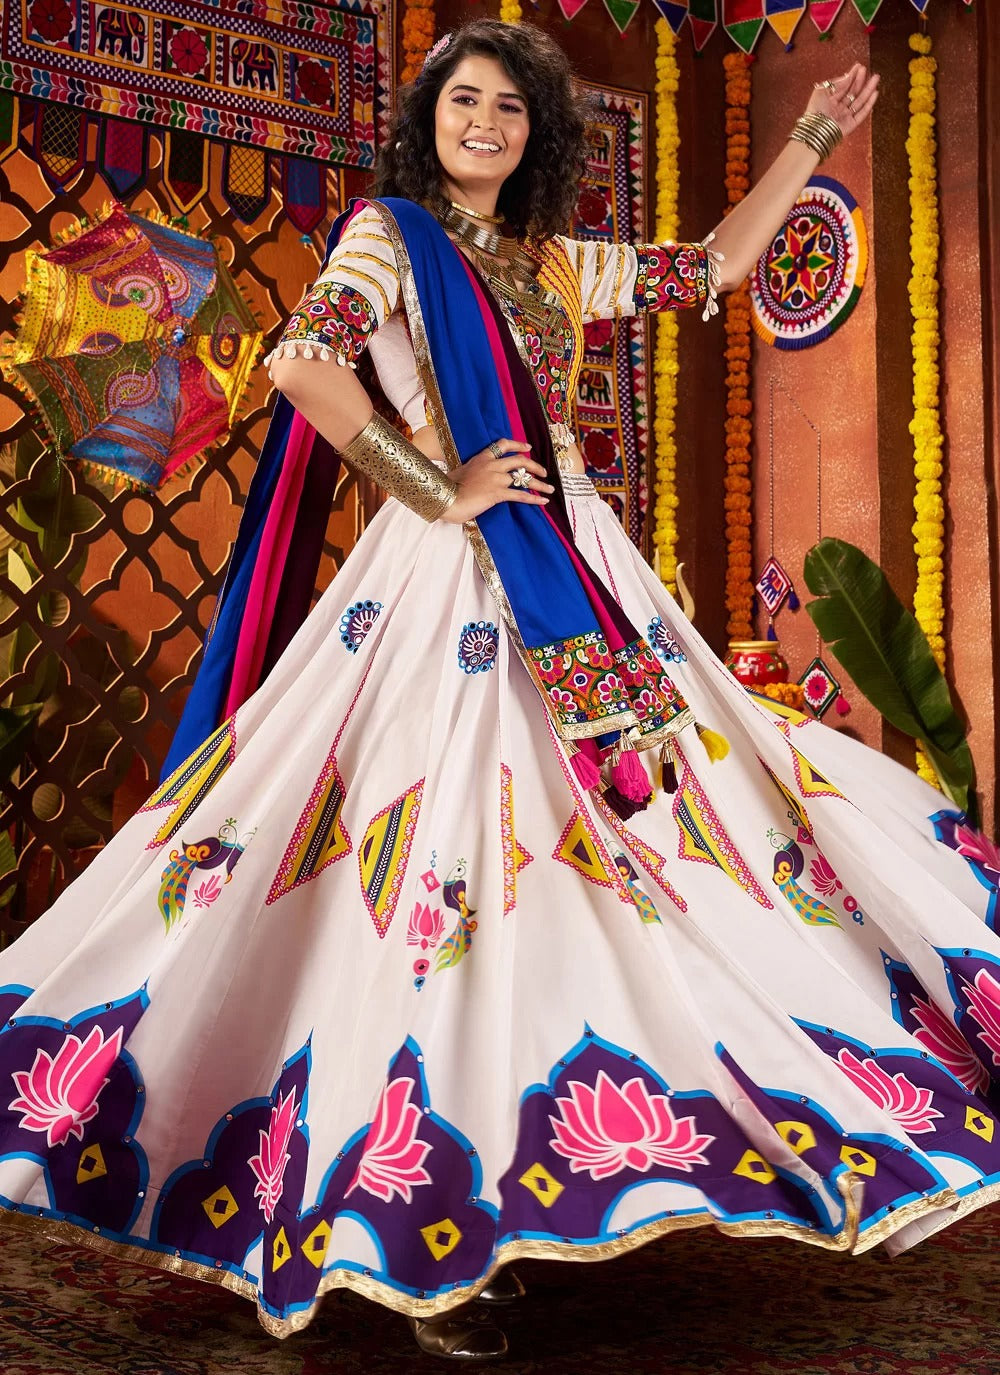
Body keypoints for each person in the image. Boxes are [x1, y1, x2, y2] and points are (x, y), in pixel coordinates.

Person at [1, 17, 998, 1366]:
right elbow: (303, 360)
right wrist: (440, 485)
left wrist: (813, 140)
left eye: (512, 110)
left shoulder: (553, 264)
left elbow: (706, 268)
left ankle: (533, 1176)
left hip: (581, 575)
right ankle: (419, 1218)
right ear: (429, 120)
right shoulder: (386, 238)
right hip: (450, 583)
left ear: (537, 136)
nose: (488, 123)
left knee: (667, 853)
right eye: (465, 101)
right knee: (440, 865)